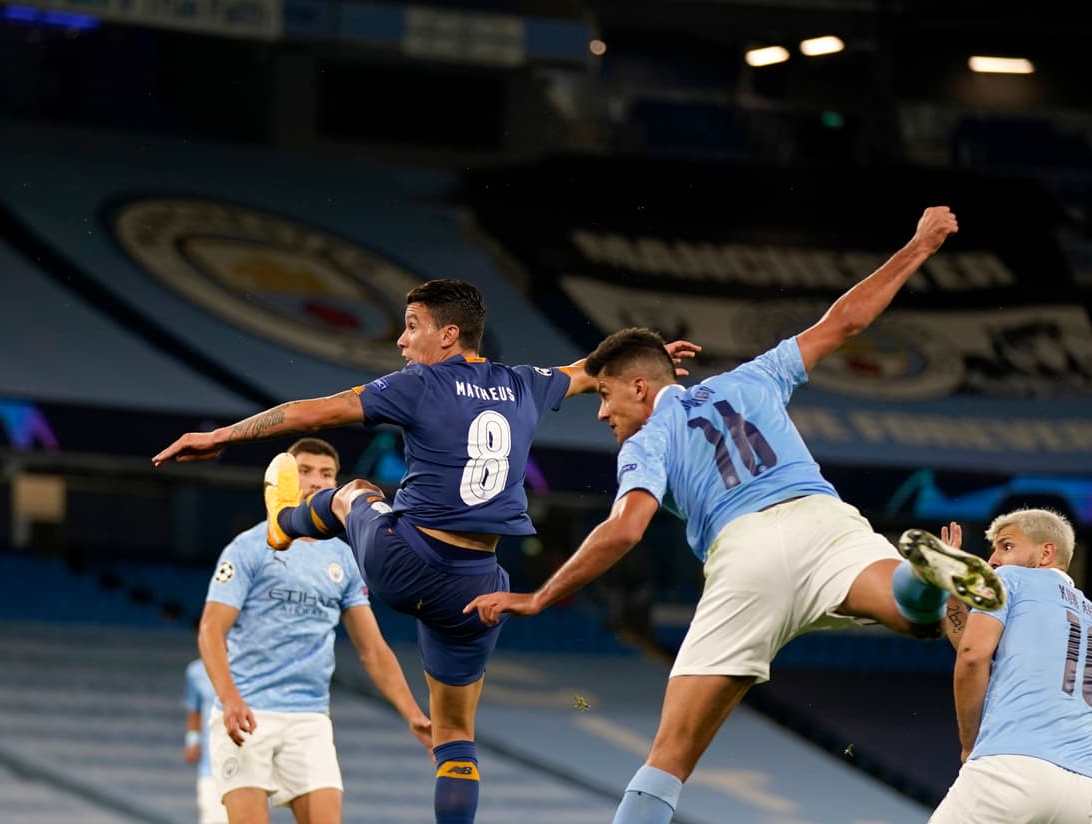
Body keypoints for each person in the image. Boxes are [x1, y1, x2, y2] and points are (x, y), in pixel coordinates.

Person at [464, 207, 1009, 824]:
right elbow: (846, 322)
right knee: (917, 617)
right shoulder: (753, 378)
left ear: (640, 388)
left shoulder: (647, 441)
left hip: (745, 554)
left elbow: (625, 529)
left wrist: (540, 597)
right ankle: (924, 571)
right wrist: (918, 245)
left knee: (669, 757)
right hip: (827, 522)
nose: (600, 412)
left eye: (606, 393)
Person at [155, 278, 697, 824]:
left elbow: (313, 413)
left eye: (412, 327)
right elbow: (587, 371)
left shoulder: (420, 384)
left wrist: (223, 435)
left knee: (353, 492)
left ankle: (284, 525)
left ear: (449, 335)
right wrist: (647, 363)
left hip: (406, 559)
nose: (401, 340)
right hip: (477, 585)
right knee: (456, 736)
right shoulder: (523, 384)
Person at [196, 437, 434, 824]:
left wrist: (412, 714)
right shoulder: (249, 548)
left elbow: (372, 648)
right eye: (304, 471)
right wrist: (230, 698)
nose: (315, 481)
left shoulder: (344, 557)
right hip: (247, 712)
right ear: (284, 477)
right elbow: (210, 630)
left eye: (326, 474)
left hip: (308, 717)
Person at [928, 511, 1092, 824]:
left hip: (1012, 767)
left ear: (1046, 552)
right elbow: (977, 645)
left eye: (1006, 546)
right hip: (1082, 790)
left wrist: (970, 745)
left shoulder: (1009, 579)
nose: (994, 560)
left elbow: (972, 655)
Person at [185, 657, 227, 824]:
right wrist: (192, 740)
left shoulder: (248, 665)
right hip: (210, 765)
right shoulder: (195, 671)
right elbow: (193, 708)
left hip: (247, 760)